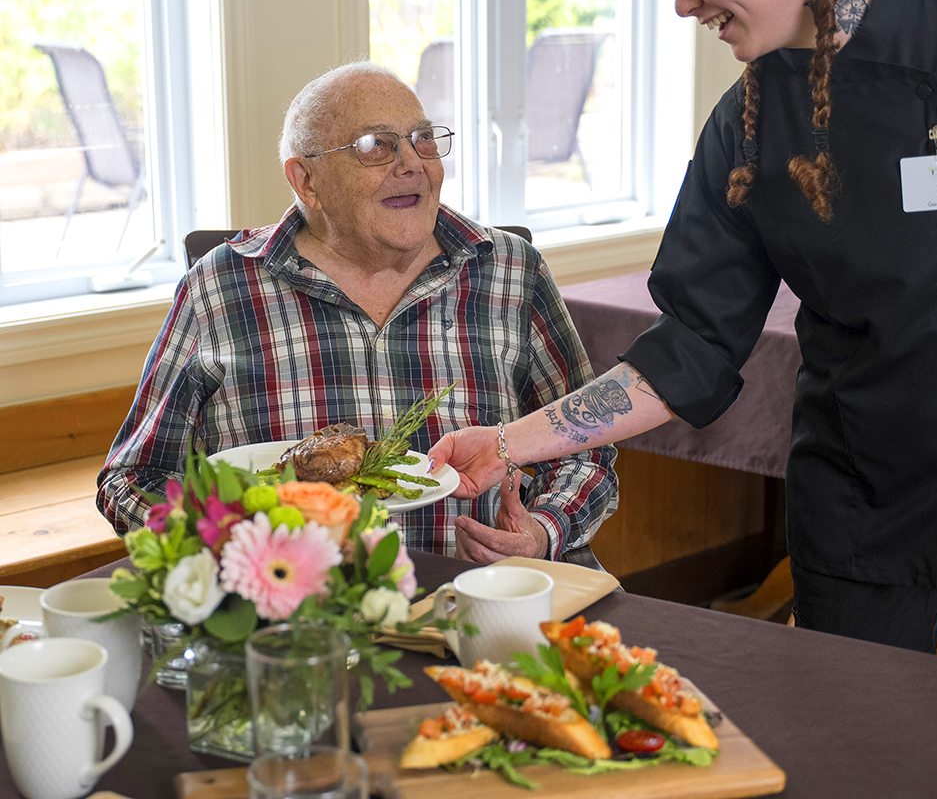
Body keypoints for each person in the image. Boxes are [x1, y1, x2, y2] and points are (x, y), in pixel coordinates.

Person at [428, 0, 937, 652]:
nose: (682, 2)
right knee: (857, 747)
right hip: (867, 494)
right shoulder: (747, 130)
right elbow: (690, 347)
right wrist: (507, 443)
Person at [97, 61, 617, 562]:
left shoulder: (508, 270)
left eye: (423, 139)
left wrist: (541, 530)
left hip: (487, 596)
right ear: (307, 182)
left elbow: (584, 447)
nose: (412, 163)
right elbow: (133, 478)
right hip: (297, 613)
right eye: (376, 146)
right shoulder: (221, 287)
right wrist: (222, 549)